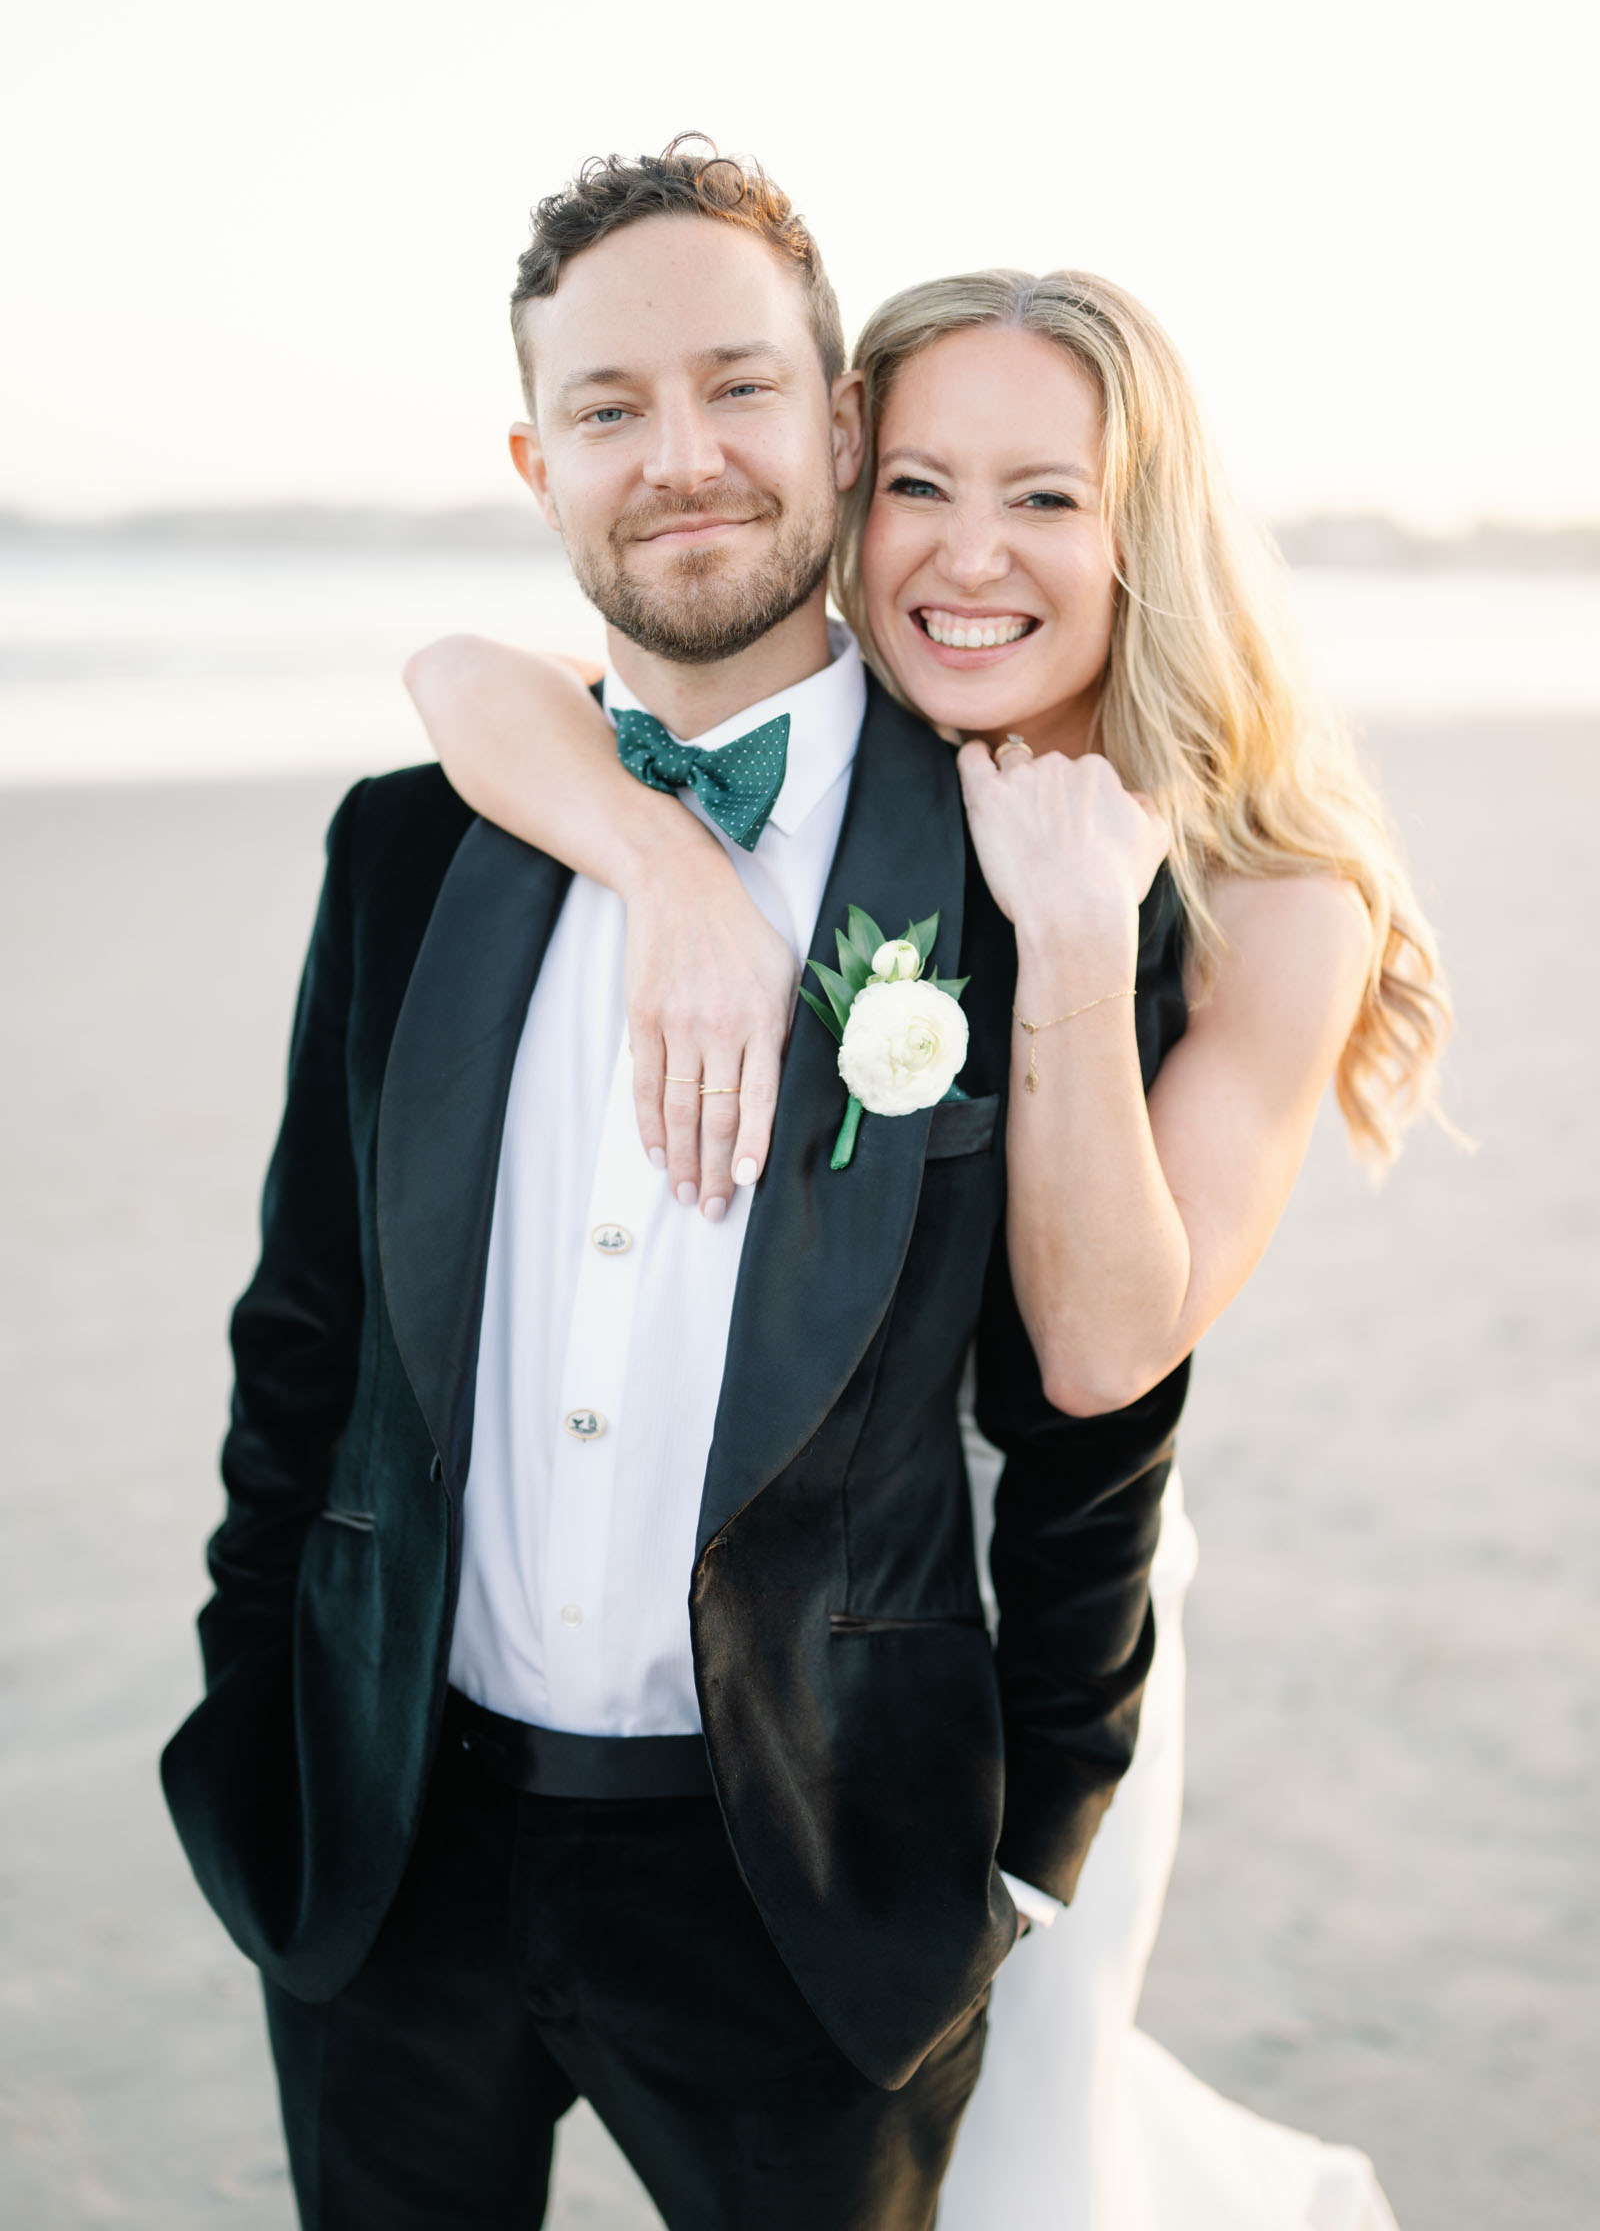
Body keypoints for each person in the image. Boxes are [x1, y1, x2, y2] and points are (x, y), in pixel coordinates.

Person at [161, 142, 1193, 2231]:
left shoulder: (1024, 887)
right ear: (536, 458)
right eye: (611, 409)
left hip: (805, 1892)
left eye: (735, 387)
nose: (680, 457)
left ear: (834, 426)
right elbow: (306, 1338)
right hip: (388, 1862)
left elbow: (1088, 1430)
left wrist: (1022, 1852)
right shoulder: (411, 850)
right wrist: (259, 1734)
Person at [406, 207, 1450, 2227]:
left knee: (1016, 2175)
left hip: (1010, 1643)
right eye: (918, 490)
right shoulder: (821, 777)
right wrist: (666, 868)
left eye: (1043, 497)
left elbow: (1099, 1345)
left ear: (1138, 531)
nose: (969, 557)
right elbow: (470, 674)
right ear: (851, 475)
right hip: (720, 1647)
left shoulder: (1268, 898)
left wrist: (1068, 936)